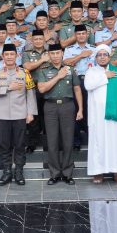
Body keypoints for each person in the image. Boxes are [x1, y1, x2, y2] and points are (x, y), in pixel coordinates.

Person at [0, 44, 38, 186]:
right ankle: (6, 172)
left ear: (17, 56)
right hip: (2, 115)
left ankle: (19, 172)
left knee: (20, 144)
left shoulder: (25, 73)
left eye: (12, 54)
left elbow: (30, 93)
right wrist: (8, 88)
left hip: (20, 114)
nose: (9, 57)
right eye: (7, 54)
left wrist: (30, 113)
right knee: (4, 145)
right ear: (3, 57)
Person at [84, 44, 117, 184]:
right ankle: (98, 172)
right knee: (98, 143)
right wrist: (104, 76)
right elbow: (88, 86)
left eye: (104, 54)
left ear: (109, 57)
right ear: (96, 58)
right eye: (99, 55)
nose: (102, 57)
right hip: (98, 116)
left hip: (116, 114)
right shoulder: (91, 72)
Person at [35, 43, 82, 185]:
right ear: (49, 55)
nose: (55, 56)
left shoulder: (70, 69)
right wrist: (58, 76)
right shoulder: (43, 70)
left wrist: (80, 109)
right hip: (50, 106)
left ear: (62, 54)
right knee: (52, 141)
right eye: (52, 53)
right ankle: (54, 173)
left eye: (58, 53)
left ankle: (67, 173)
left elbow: (77, 89)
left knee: (68, 141)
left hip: (68, 106)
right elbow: (42, 89)